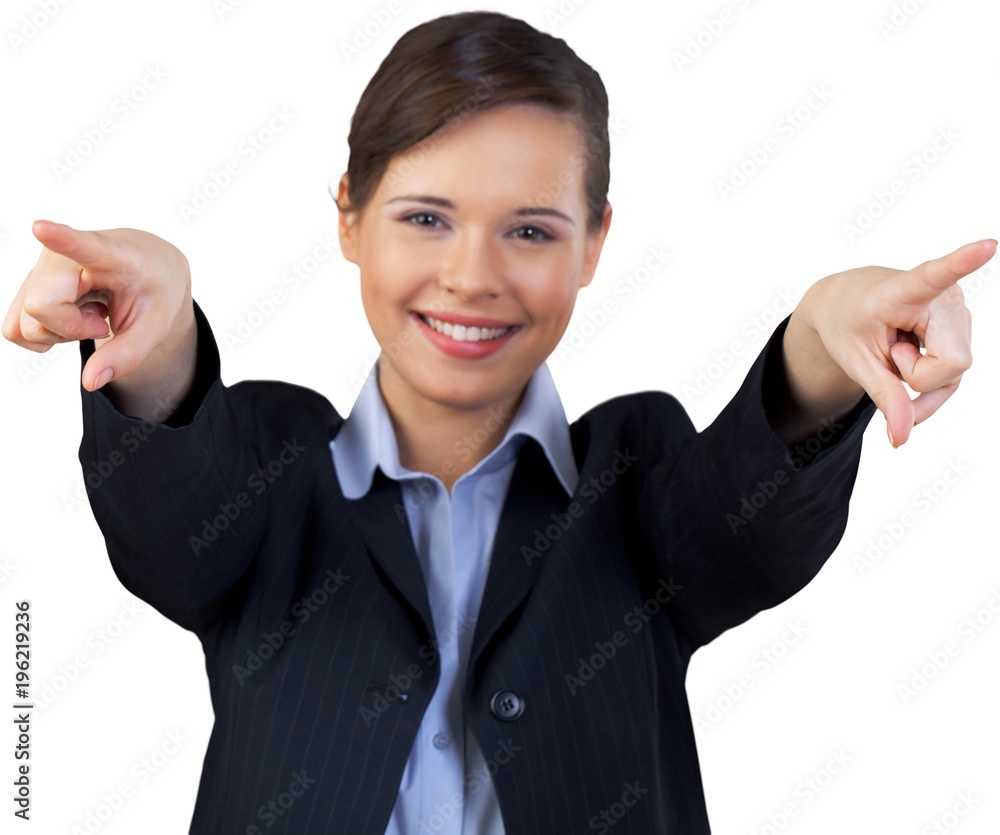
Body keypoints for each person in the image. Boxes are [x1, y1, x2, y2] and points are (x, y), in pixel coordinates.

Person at [2, 10, 991, 835]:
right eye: (425, 217)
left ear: (595, 244)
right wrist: (155, 319)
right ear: (347, 215)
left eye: (529, 230)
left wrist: (826, 326)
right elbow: (172, 509)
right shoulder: (271, 471)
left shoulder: (636, 480)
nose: (472, 275)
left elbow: (745, 507)